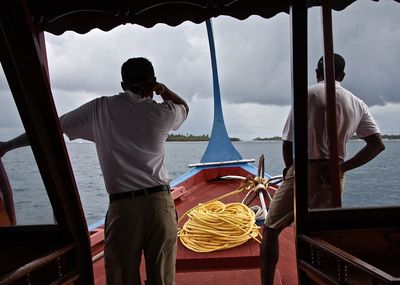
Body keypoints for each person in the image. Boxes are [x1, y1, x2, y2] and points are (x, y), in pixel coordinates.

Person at [0, 57, 189, 285]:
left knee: (120, 277)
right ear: (154, 82)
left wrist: (8, 146)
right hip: (159, 206)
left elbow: (50, 127)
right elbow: (184, 107)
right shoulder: (164, 113)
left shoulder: (99, 108)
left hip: (123, 209)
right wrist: (165, 90)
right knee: (162, 278)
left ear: (122, 85)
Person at [260, 53, 385, 285]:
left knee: (270, 229)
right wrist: (342, 168)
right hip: (335, 177)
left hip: (304, 171)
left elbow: (288, 142)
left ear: (317, 73)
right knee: (324, 235)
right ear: (342, 75)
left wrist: (290, 170)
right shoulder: (357, 103)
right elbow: (377, 145)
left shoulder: (306, 95)